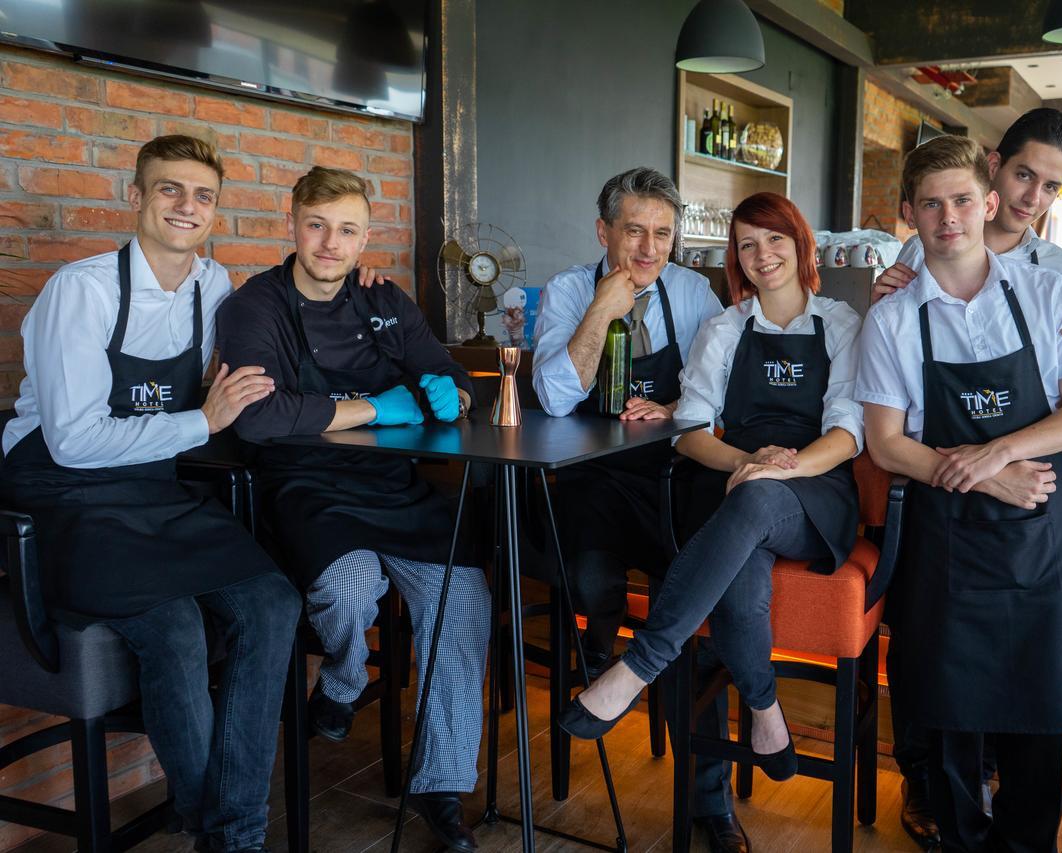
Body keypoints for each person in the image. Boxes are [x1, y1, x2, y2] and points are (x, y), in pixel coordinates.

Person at [0, 135, 300, 853]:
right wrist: (201, 419)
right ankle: (233, 832)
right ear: (133, 196)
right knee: (171, 627)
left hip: (151, 488)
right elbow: (73, 440)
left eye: (202, 195)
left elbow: (281, 318)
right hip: (62, 495)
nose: (185, 206)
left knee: (274, 600)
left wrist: (356, 286)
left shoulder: (213, 286)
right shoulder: (83, 289)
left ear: (215, 211)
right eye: (169, 189)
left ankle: (224, 826)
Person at [558, 192, 863, 809]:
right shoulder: (724, 328)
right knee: (741, 568)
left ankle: (639, 665)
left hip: (816, 487)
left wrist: (785, 468)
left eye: (775, 238)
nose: (762, 254)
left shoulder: (842, 323)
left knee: (750, 506)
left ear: (800, 243)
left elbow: (848, 433)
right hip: (731, 479)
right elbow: (692, 432)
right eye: (747, 243)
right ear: (736, 258)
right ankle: (764, 705)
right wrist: (746, 462)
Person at [215, 166, 489, 853]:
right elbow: (256, 419)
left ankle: (440, 784)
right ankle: (343, 675)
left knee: (463, 595)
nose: (330, 244)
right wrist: (375, 407)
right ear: (291, 225)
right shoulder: (255, 307)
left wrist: (445, 391)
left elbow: (450, 377)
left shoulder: (383, 299)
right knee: (347, 588)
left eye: (346, 230)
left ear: (365, 237)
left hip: (392, 486)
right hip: (305, 487)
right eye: (316, 226)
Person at [855, 135, 1062, 853]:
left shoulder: (1045, 292)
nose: (949, 217)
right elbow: (886, 443)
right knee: (952, 716)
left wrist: (999, 449)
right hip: (949, 538)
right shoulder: (893, 318)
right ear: (909, 214)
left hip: (1039, 536)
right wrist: (983, 474)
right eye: (930, 204)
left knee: (1038, 710)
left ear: (989, 202)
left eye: (963, 200)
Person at [532, 168, 743, 851]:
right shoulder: (568, 289)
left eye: (662, 233)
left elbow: (720, 391)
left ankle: (709, 801)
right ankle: (600, 652)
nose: (650, 249)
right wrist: (602, 306)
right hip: (595, 473)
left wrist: (678, 409)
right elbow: (559, 397)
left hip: (679, 476)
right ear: (604, 232)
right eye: (634, 231)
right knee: (590, 578)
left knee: (697, 625)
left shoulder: (694, 292)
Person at [875, 108, 1062, 310]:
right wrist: (878, 307)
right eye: (1024, 175)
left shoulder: (1057, 269)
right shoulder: (920, 251)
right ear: (993, 166)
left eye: (1050, 187)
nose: (1032, 199)